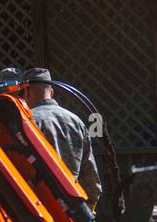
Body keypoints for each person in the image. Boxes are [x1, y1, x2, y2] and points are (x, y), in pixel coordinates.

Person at [22, 67, 102, 206]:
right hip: (73, 208)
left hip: (38, 208)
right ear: (51, 92)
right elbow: (90, 175)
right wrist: (89, 208)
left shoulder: (27, 121)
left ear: (26, 91)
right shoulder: (75, 121)